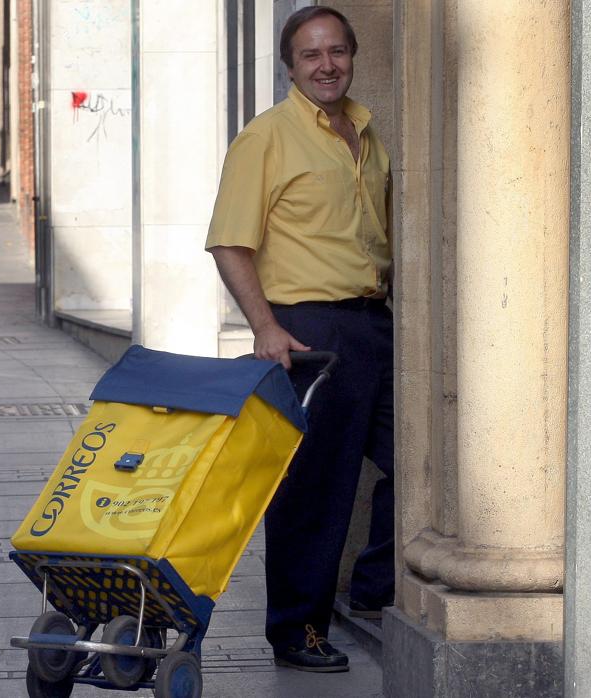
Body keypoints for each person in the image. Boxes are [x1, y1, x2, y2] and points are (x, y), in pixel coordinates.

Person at [205, 7, 394, 673]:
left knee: (422, 464)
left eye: (337, 51)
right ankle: (298, 632)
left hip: (374, 321)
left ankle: (375, 592)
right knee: (312, 488)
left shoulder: (366, 133)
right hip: (306, 328)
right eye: (311, 54)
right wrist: (265, 327)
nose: (326, 64)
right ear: (289, 66)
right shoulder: (267, 138)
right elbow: (230, 241)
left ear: (351, 56)